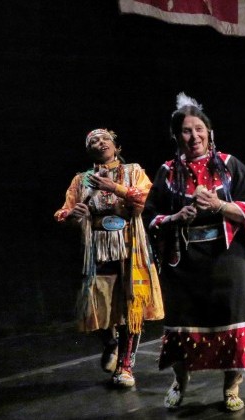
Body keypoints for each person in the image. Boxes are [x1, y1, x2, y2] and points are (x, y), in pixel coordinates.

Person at [143, 92, 245, 411]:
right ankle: (180, 382)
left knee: (231, 320)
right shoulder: (167, 172)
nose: (194, 136)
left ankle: (231, 387)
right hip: (183, 264)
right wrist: (174, 217)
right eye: (186, 130)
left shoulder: (229, 166)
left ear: (209, 131)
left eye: (199, 129)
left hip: (228, 260)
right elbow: (149, 215)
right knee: (182, 324)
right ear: (176, 135)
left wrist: (221, 205)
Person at [54, 128, 164, 387]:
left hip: (129, 244)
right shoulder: (81, 180)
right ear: (88, 149)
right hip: (98, 248)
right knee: (99, 303)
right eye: (93, 140)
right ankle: (110, 342)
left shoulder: (133, 171)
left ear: (117, 147)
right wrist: (72, 216)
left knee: (131, 305)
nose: (100, 142)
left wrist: (116, 188)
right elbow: (63, 212)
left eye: (105, 139)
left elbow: (150, 198)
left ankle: (126, 367)